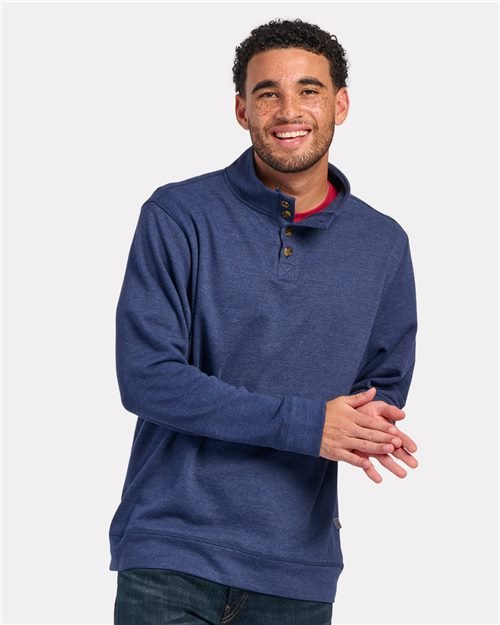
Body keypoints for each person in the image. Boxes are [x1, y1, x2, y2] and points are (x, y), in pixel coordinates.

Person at [109, 17, 418, 625]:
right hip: (171, 553)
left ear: (341, 104)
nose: (289, 110)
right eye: (267, 92)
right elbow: (146, 377)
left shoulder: (382, 243)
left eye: (309, 90)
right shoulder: (179, 214)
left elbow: (382, 389)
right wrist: (309, 423)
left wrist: (372, 428)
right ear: (241, 109)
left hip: (297, 569)